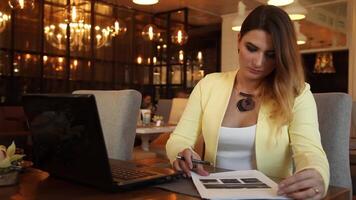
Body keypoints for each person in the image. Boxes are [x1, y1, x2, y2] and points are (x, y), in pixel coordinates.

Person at [166, 5, 329, 200]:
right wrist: (181, 152)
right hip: (210, 192)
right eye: (252, 49)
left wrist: (317, 173)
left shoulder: (297, 93)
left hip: (271, 195)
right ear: (238, 41)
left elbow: (309, 150)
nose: (259, 62)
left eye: (271, 55)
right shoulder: (209, 84)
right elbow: (179, 138)